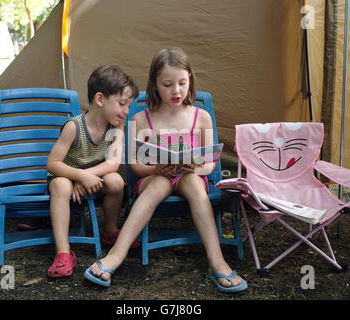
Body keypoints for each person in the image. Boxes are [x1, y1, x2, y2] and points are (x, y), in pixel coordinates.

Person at [85, 48, 247, 293]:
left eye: (182, 83)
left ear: (190, 80)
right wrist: (156, 170)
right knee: (160, 183)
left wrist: (194, 165)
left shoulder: (201, 117)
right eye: (168, 84)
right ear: (155, 84)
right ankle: (116, 255)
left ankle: (216, 260)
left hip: (189, 177)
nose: (177, 91)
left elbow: (210, 164)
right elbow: (135, 168)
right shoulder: (140, 119)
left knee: (192, 182)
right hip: (153, 179)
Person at [46, 65, 140, 278]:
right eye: (122, 104)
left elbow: (112, 164)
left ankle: (109, 229)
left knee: (116, 181)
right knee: (60, 185)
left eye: (129, 105)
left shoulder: (117, 127)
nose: (127, 111)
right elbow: (52, 164)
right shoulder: (74, 127)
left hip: (93, 179)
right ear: (100, 100)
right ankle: (63, 252)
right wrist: (79, 176)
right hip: (66, 178)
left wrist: (88, 176)